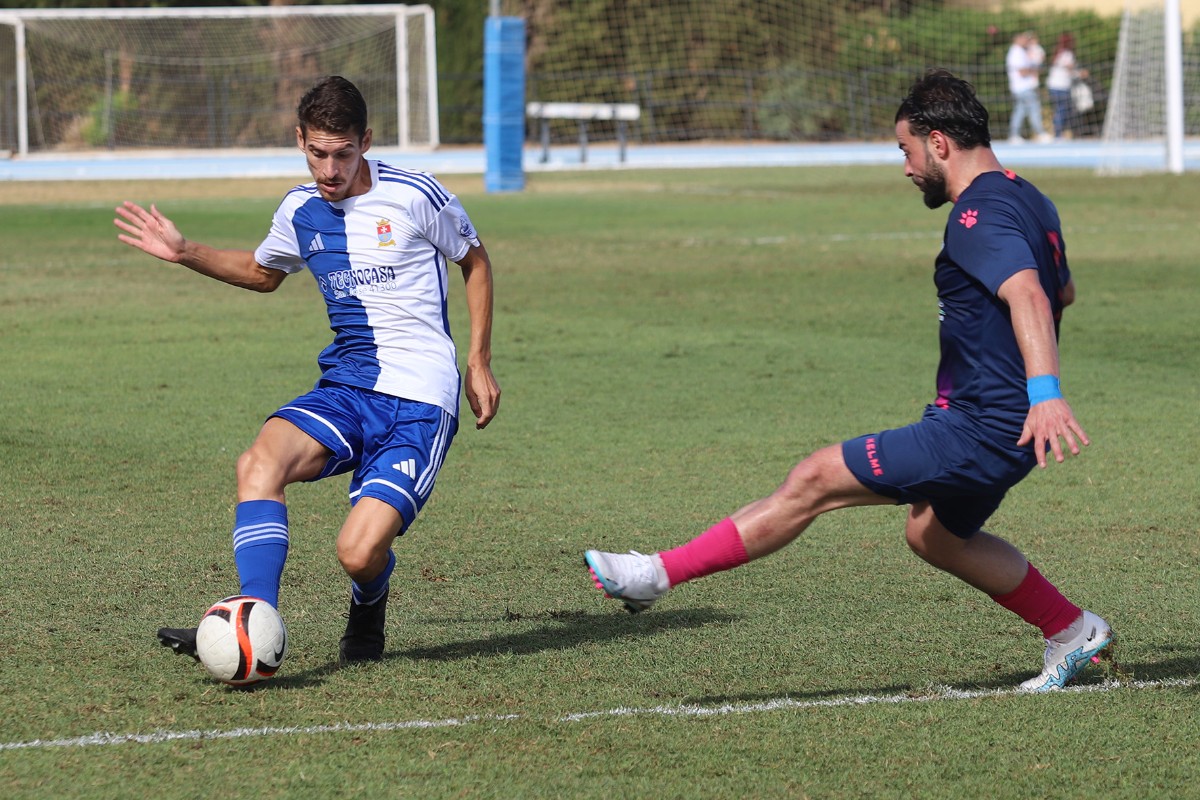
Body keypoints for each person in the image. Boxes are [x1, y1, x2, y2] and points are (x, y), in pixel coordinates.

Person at [584, 69, 1112, 693]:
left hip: (981, 426)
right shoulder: (1031, 199)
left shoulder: (976, 214)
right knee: (935, 536)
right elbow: (1062, 291)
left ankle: (654, 575)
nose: (906, 167)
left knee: (816, 478)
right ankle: (1071, 629)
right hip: (993, 421)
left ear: (939, 142)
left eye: (906, 150)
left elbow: (1029, 293)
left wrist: (1044, 393)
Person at [114, 75, 501, 666]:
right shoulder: (299, 210)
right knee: (258, 463)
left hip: (421, 400)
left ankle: (369, 603)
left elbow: (474, 261)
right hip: (347, 386)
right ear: (300, 140)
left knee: (357, 554)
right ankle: (251, 620)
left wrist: (477, 361)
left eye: (343, 153)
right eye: (318, 153)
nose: (330, 169)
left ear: (365, 141)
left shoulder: (416, 195)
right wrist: (185, 252)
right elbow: (263, 273)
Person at [1006, 31, 1052, 144]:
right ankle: (1041, 133)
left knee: (1020, 111)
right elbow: (1022, 71)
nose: (1026, 40)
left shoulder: (1021, 51)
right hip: (1023, 87)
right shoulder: (1016, 52)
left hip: (1021, 87)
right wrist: (1034, 70)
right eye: (1023, 38)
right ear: (1017, 39)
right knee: (1034, 108)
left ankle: (1014, 135)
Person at [1046, 32, 1089, 139]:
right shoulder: (1067, 54)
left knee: (1060, 109)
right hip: (1061, 86)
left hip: (1053, 85)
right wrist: (1080, 74)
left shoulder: (1058, 53)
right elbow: (1069, 70)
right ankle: (1058, 134)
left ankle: (1060, 133)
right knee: (1062, 110)